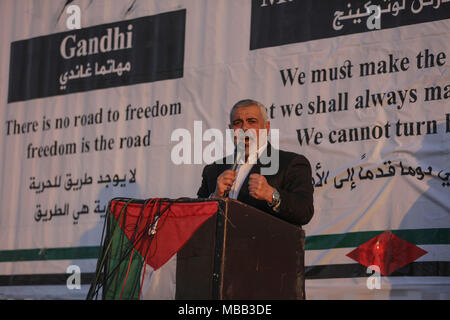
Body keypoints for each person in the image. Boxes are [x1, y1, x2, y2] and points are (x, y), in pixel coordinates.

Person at [197, 99, 314, 226]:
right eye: (237, 123)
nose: (244, 128)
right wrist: (215, 197)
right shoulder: (213, 170)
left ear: (267, 128)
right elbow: (195, 218)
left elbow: (304, 212)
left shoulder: (291, 163)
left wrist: (272, 195)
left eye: (252, 121)